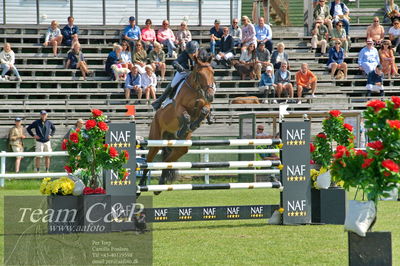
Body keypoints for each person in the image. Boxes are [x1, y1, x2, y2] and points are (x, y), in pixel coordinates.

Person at [151, 41, 200, 110]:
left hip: (197, 73)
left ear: (197, 50)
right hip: (184, 73)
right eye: (190, 53)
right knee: (173, 84)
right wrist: (180, 68)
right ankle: (159, 101)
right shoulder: (184, 54)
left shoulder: (202, 54)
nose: (192, 55)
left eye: (193, 53)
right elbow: (175, 62)